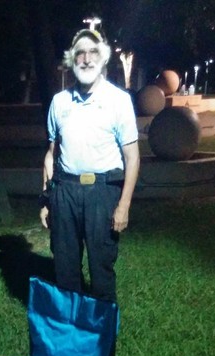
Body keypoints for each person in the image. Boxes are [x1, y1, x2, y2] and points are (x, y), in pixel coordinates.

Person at [39, 28, 140, 302]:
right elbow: (51, 154)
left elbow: (132, 157)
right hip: (65, 193)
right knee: (65, 271)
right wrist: (47, 199)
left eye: (93, 51)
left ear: (103, 57)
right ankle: (71, 337)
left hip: (103, 193)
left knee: (101, 271)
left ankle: (102, 340)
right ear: (72, 60)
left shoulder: (119, 101)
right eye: (80, 53)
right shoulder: (59, 103)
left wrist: (124, 206)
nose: (86, 58)